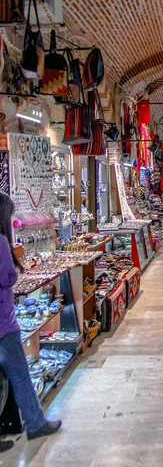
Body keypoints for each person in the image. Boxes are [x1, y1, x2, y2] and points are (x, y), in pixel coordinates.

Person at [0, 192, 61, 449]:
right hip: (3, 322)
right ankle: (35, 423)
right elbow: (8, 279)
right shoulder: (2, 242)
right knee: (20, 373)